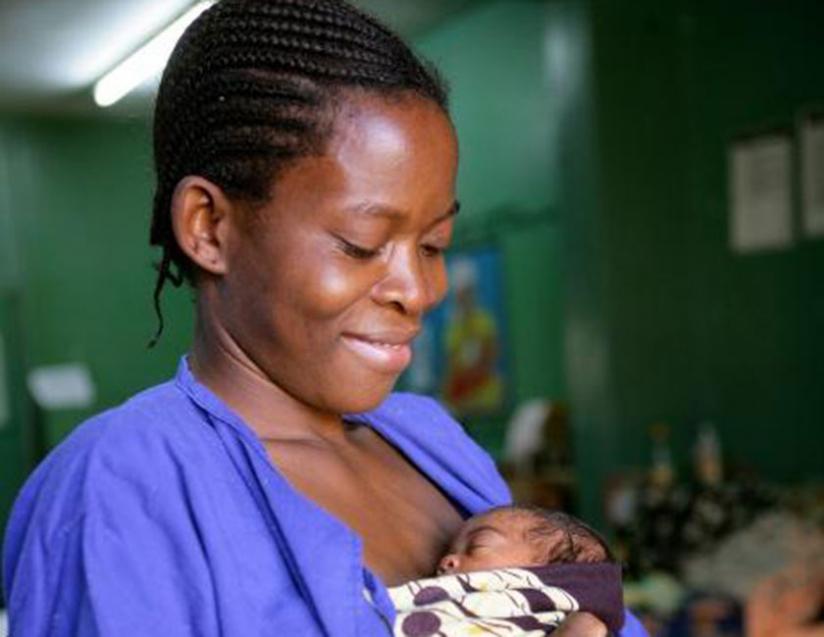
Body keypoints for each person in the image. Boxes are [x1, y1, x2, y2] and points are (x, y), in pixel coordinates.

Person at [2, 1, 648, 635]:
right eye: (362, 244)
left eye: (433, 245)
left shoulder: (430, 438)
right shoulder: (120, 488)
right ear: (209, 225)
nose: (420, 290)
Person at [390, 506, 624, 636]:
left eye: (478, 546)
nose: (447, 560)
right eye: (450, 551)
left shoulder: (576, 626)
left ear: (551, 575)